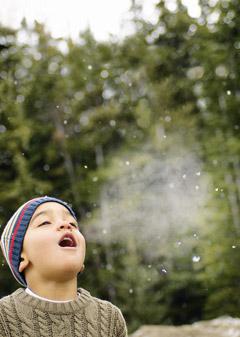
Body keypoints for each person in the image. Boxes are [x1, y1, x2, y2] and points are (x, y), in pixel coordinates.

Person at [0, 196, 128, 337]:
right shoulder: (3, 317)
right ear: (21, 257)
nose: (66, 225)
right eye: (45, 222)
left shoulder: (110, 317)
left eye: (73, 224)